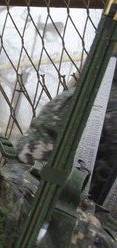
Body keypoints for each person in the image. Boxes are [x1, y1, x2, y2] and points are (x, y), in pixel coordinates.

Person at [15, 71, 115, 211]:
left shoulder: (74, 96)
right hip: (73, 220)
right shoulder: (82, 99)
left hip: (19, 205)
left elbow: (21, 159)